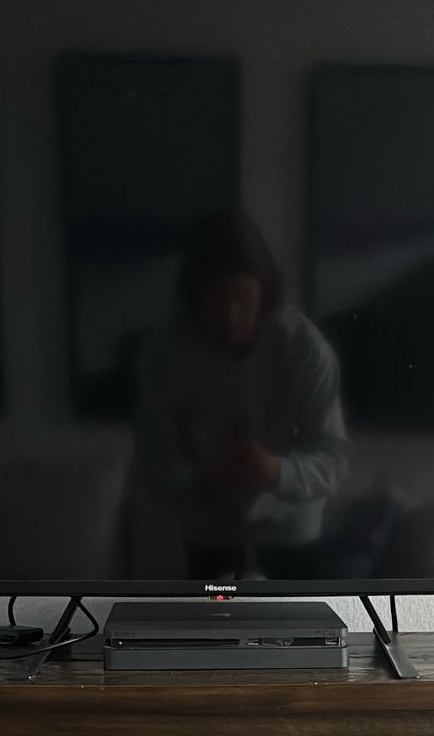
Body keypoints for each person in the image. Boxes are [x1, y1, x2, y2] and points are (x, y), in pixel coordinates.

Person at [134, 211, 348, 580]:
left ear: (264, 291)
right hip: (206, 533)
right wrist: (198, 482)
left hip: (292, 535)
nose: (231, 316)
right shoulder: (165, 352)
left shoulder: (304, 349)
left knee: (300, 634)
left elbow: (332, 460)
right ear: (195, 293)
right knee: (210, 633)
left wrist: (277, 471)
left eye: (243, 299)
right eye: (218, 299)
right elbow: (154, 459)